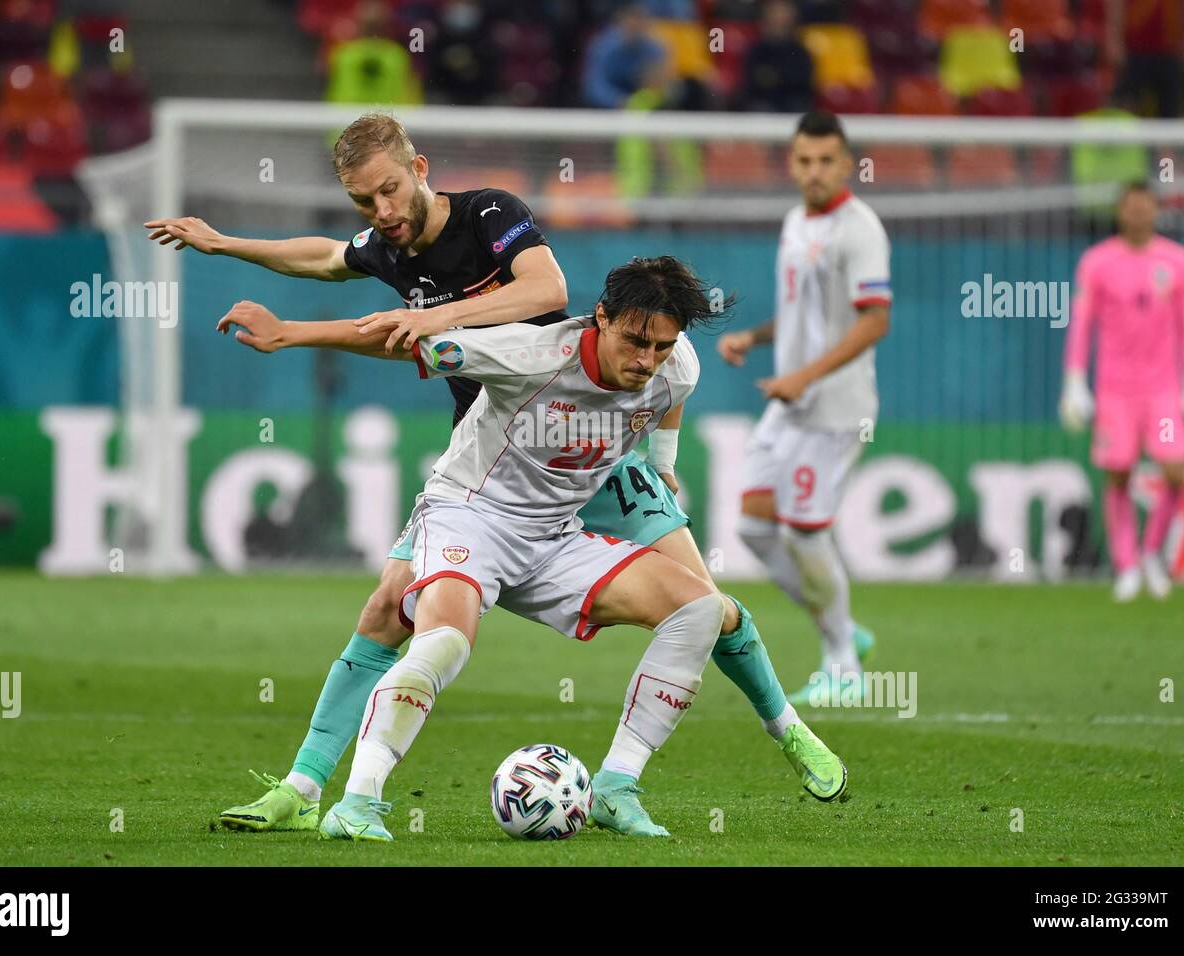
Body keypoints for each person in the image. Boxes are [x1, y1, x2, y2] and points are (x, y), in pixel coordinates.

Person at [215, 257, 848, 840]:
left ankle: (618, 784)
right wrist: (289, 332)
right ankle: (357, 801)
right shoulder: (530, 353)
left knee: (702, 608)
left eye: (661, 344)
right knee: (437, 638)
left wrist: (662, 462)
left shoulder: (675, 363)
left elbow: (669, 396)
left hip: (555, 537)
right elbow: (402, 339)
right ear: (600, 316)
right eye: (635, 340)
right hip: (470, 517)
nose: (647, 358)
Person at [718, 110, 890, 705]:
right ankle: (845, 631)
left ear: (846, 164)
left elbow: (875, 321)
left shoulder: (860, 228)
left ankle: (844, 663)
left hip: (835, 407)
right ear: (792, 164)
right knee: (753, 527)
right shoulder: (796, 222)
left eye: (826, 161)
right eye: (804, 160)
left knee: (807, 533)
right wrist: (756, 339)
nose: (814, 172)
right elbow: (803, 315)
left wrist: (803, 377)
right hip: (790, 401)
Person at [1059, 181, 1184, 600]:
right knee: (1119, 473)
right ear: (1120, 212)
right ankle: (1126, 566)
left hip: (1162, 389)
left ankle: (1151, 554)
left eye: (1147, 206)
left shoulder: (1177, 261)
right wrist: (1074, 381)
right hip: (1115, 391)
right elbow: (1082, 323)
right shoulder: (1098, 261)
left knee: (1175, 469)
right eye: (1132, 207)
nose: (1139, 214)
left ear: (1156, 210)